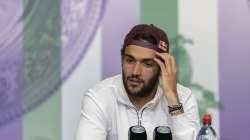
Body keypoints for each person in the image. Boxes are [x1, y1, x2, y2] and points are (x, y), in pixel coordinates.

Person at [76, 24, 200, 140]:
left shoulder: (183, 98)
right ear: (122, 59)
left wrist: (172, 98)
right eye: (130, 60)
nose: (135, 71)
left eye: (147, 64)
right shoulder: (99, 97)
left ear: (162, 67)